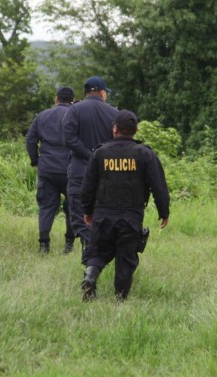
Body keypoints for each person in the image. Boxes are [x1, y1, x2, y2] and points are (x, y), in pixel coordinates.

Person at [80, 110, 170, 302]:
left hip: (103, 214)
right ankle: (120, 299)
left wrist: (88, 211)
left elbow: (87, 186)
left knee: (97, 250)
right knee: (126, 256)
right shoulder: (145, 154)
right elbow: (159, 185)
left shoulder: (99, 153)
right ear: (135, 131)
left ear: (115, 129)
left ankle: (90, 276)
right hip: (130, 216)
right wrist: (164, 211)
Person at [62, 76, 119, 261]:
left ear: (86, 92)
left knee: (79, 216)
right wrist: (99, 157)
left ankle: (89, 252)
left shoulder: (74, 110)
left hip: (79, 172)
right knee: (102, 215)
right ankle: (96, 254)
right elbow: (118, 142)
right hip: (106, 174)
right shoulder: (113, 112)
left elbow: (68, 139)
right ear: (102, 93)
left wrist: (88, 155)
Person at [25, 86, 76, 254]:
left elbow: (30, 140)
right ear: (72, 100)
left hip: (47, 168)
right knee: (72, 206)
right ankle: (69, 245)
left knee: (47, 206)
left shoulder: (42, 116)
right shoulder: (76, 115)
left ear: (56, 99)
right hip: (71, 169)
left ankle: (44, 245)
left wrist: (36, 161)